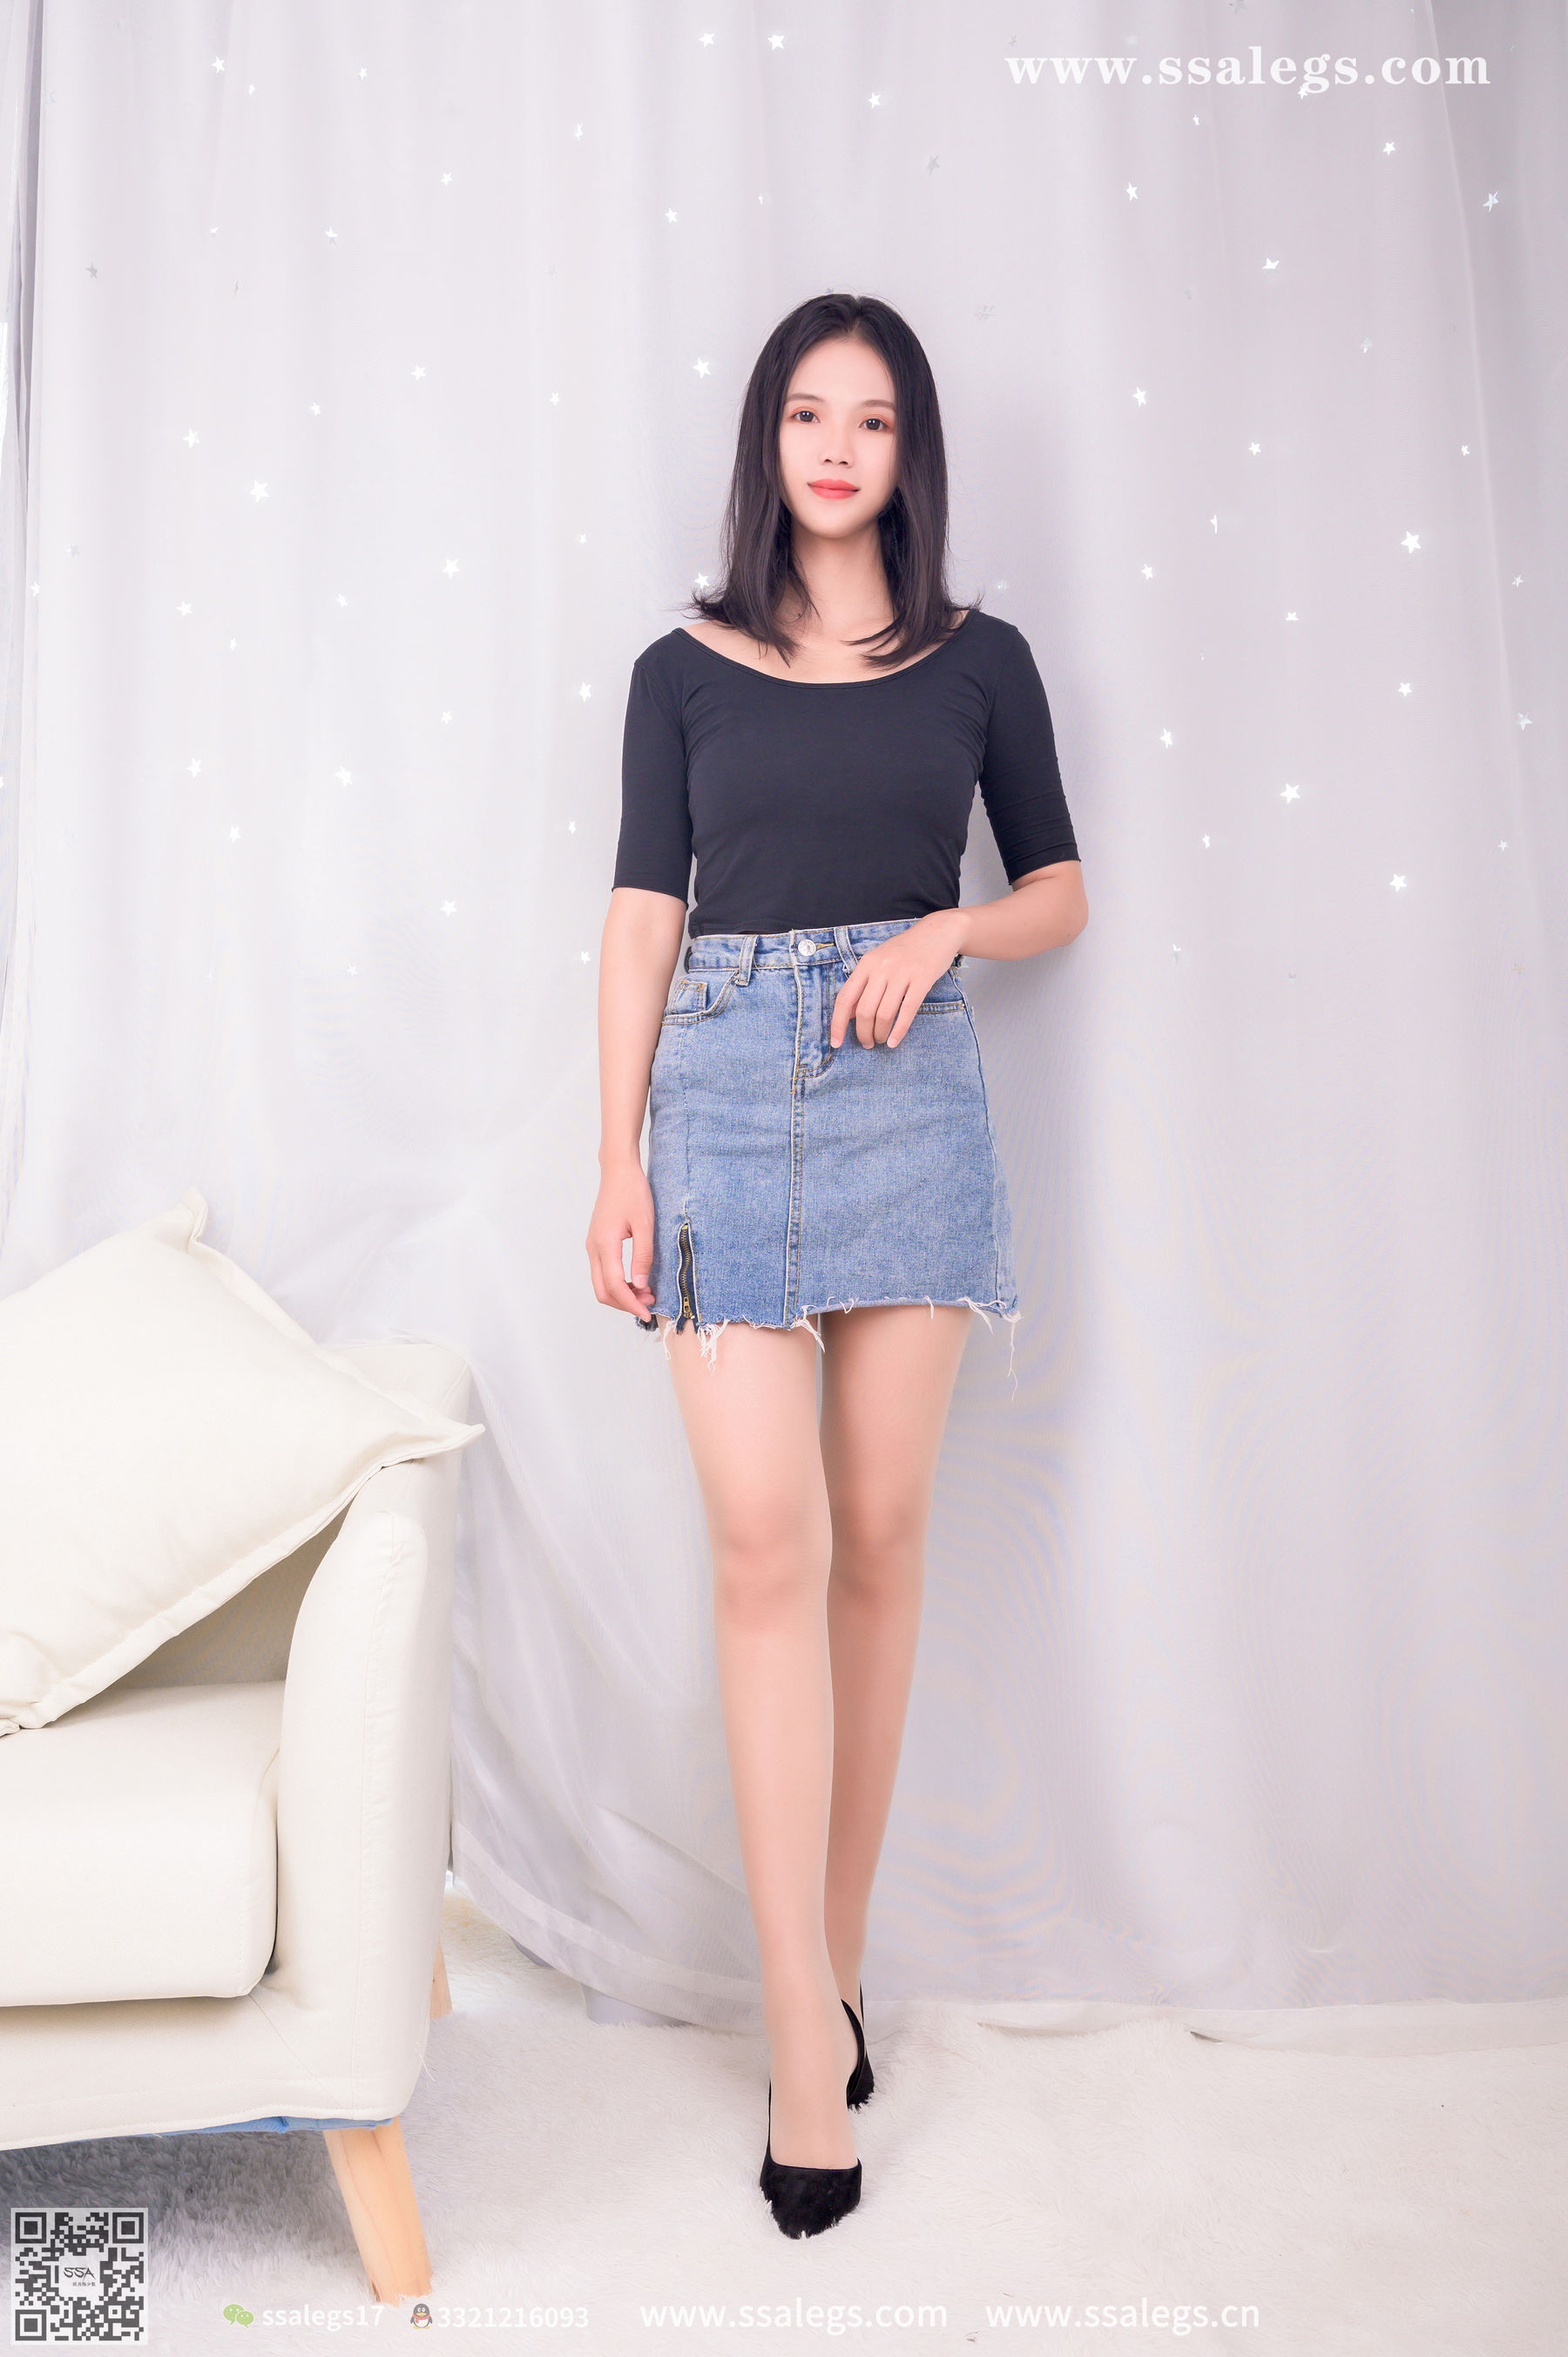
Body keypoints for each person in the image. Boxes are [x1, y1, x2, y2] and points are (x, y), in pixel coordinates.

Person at [585, 291, 1087, 2238]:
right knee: (761, 1543)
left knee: (878, 1536)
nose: (837, 447)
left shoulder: (980, 661)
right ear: (768, 440)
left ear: (909, 453)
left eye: (872, 420)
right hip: (718, 1098)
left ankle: (841, 1952)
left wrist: (947, 931)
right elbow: (643, 917)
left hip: (909, 1095)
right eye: (809, 413)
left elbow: (1061, 887)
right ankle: (803, 2032)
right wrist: (612, 1162)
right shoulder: (679, 670)